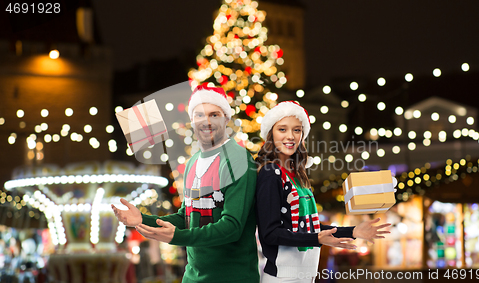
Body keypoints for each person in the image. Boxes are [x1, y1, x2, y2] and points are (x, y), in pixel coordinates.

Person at [112, 85, 259, 283]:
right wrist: (142, 219)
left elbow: (232, 227)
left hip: (231, 277)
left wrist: (177, 237)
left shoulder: (238, 159)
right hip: (192, 277)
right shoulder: (193, 162)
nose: (206, 121)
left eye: (214, 114)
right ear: (192, 120)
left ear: (226, 118)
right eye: (199, 115)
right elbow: (187, 216)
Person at [255, 101, 391, 283]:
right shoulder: (270, 173)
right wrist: (317, 238)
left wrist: (354, 231)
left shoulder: (298, 174)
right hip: (283, 276)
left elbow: (309, 228)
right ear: (270, 134)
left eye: (296, 130)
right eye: (282, 129)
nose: (290, 136)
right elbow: (269, 233)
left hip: (305, 274)